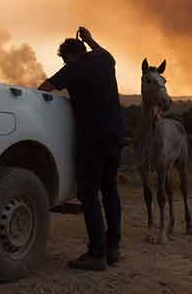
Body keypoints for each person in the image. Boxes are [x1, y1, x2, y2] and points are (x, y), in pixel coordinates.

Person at [38, 27, 124, 271]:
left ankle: (97, 253)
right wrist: (90, 39)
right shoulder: (105, 60)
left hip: (92, 139)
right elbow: (105, 53)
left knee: (88, 193)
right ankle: (113, 248)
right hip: (116, 136)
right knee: (110, 189)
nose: (64, 62)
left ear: (69, 56)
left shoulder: (73, 68)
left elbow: (45, 88)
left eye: (64, 59)